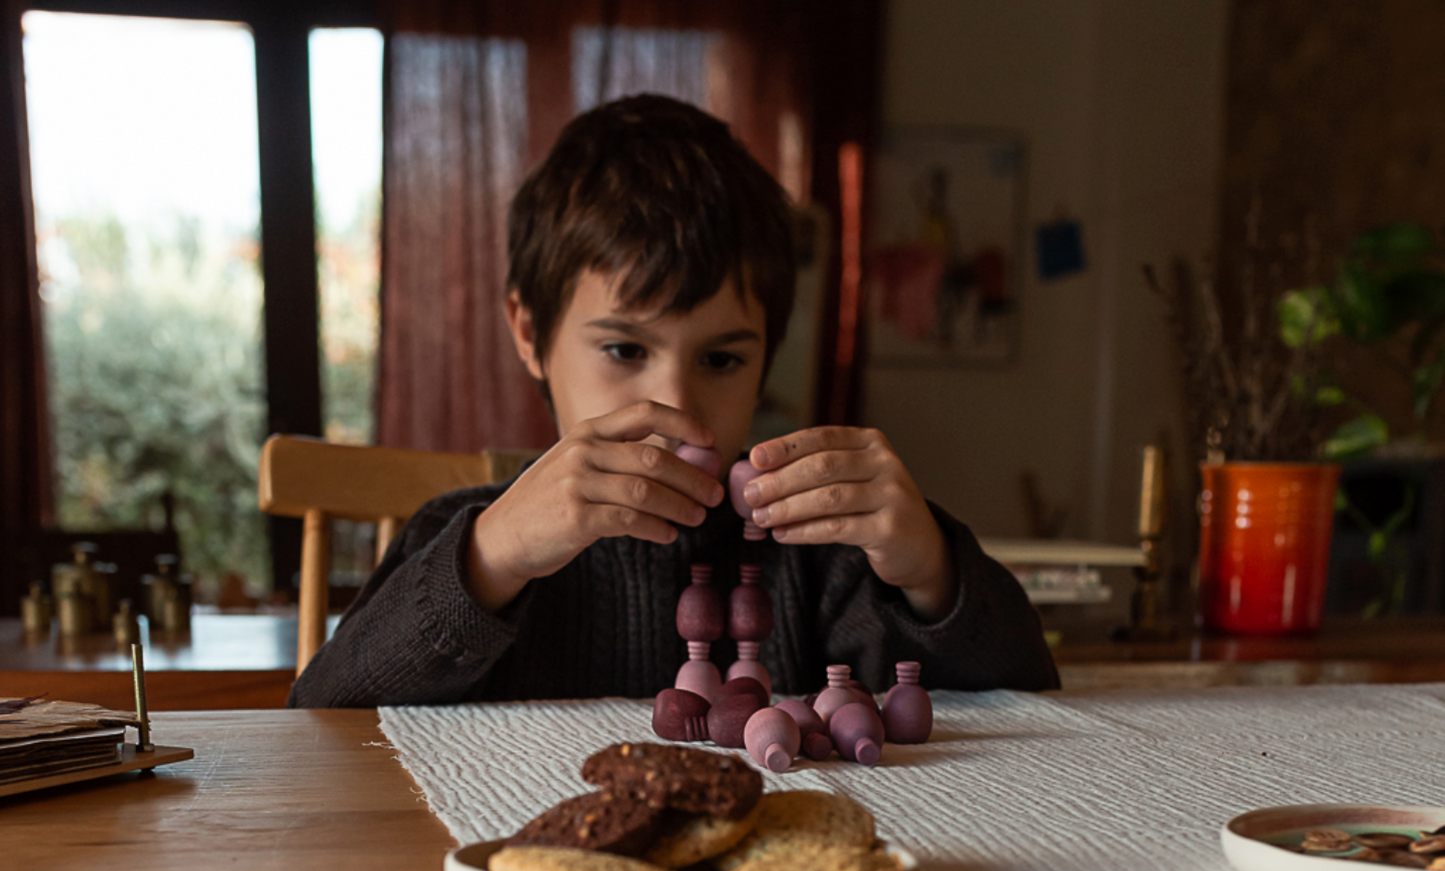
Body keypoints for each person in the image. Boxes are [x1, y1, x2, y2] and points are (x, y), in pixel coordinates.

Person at [288, 94, 1057, 708]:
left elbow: (1025, 702)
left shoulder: (817, 560)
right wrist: (490, 558)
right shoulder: (467, 545)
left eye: (721, 358)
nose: (677, 406)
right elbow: (319, 720)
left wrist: (929, 570)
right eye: (624, 350)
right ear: (529, 332)